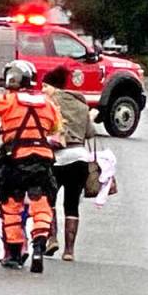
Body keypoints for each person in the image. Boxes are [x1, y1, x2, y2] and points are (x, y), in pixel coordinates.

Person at [0, 60, 62, 274]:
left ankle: (15, 254)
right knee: (42, 204)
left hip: (14, 161)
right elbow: (56, 127)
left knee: (10, 205)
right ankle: (39, 246)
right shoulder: (48, 104)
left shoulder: (8, 101)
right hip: (42, 161)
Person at [41, 66, 98, 262]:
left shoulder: (50, 103)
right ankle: (69, 251)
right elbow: (90, 133)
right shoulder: (81, 105)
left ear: (54, 86)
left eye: (45, 86)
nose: (42, 90)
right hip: (79, 158)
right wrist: (89, 118)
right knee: (72, 205)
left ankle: (52, 238)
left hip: (56, 159)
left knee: (48, 200)